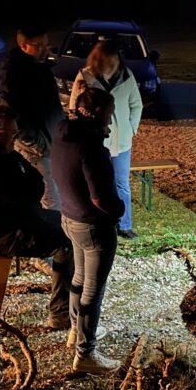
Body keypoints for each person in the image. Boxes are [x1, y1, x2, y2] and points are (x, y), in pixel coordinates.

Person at [0, 103, 73, 330]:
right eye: (13, 134)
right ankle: (61, 312)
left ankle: (71, 289)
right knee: (67, 240)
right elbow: (27, 195)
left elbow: (33, 180)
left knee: (67, 222)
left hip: (10, 221)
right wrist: (29, 186)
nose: (16, 139)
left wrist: (29, 184)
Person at [53, 88, 124, 374]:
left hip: (69, 218)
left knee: (79, 279)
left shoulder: (63, 134)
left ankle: (76, 331)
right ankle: (85, 355)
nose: (111, 119)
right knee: (93, 291)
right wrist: (119, 210)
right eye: (110, 113)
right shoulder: (92, 148)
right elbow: (100, 199)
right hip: (93, 226)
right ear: (98, 113)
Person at [68, 37, 143, 239]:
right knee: (94, 184)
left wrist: (131, 129)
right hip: (94, 142)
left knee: (121, 184)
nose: (111, 64)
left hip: (121, 141)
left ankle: (125, 225)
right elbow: (74, 109)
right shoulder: (84, 77)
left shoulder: (126, 75)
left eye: (114, 59)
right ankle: (97, 222)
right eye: (107, 59)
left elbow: (136, 104)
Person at [0, 24, 65, 211]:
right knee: (50, 199)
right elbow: (12, 112)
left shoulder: (41, 67)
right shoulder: (14, 73)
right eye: (39, 46)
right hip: (37, 149)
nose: (45, 50)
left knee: (58, 195)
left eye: (47, 45)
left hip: (51, 143)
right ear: (24, 46)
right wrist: (33, 142)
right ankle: (52, 230)